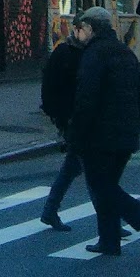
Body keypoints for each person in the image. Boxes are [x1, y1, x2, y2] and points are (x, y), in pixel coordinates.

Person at [67, 5, 140, 258]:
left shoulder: (94, 54)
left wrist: (75, 135)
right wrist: (136, 127)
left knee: (101, 186)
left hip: (101, 134)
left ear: (90, 28)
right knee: (108, 185)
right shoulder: (125, 52)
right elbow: (139, 95)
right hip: (126, 132)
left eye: (81, 29)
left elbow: (86, 99)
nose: (79, 33)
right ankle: (109, 242)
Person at [39, 20, 85, 230]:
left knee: (74, 166)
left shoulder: (85, 53)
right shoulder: (66, 53)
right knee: (93, 169)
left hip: (76, 118)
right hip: (73, 119)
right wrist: (57, 116)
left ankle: (50, 210)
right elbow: (49, 85)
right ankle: (112, 218)